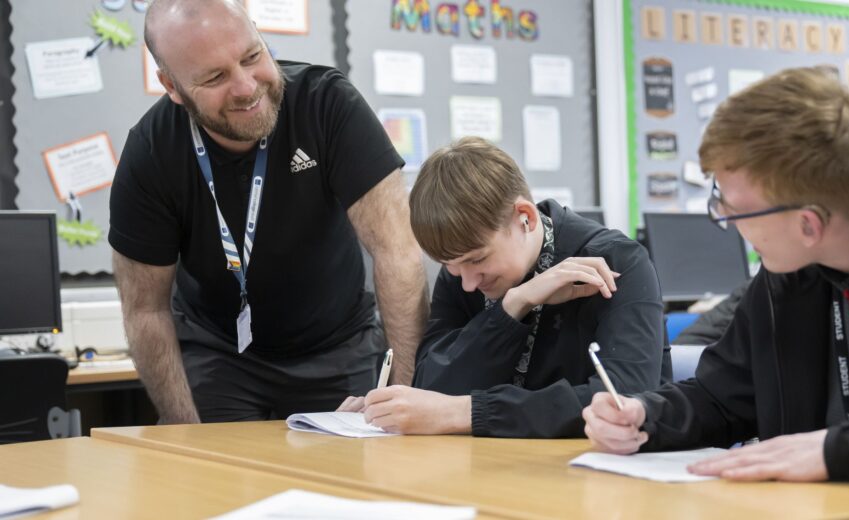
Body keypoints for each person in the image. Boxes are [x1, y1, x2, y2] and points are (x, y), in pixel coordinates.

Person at [583, 67, 849, 487]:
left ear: (808, 226)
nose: (723, 221)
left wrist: (840, 450)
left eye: (734, 210)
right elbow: (724, 398)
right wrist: (647, 416)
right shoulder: (790, 275)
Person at [108, 0, 428, 424]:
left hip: (338, 345)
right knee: (213, 481)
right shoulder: (152, 153)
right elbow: (145, 309)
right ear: (172, 86)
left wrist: (405, 394)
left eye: (252, 56)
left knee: (350, 481)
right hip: (220, 355)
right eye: (215, 76)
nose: (245, 86)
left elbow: (397, 251)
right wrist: (185, 434)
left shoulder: (327, 105)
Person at [339, 137, 671, 437]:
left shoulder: (615, 261)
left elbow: (623, 399)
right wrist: (512, 307)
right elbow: (432, 387)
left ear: (524, 217)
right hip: (496, 468)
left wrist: (470, 412)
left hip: (602, 475)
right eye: (451, 267)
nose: (468, 283)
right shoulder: (461, 274)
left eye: (477, 260)